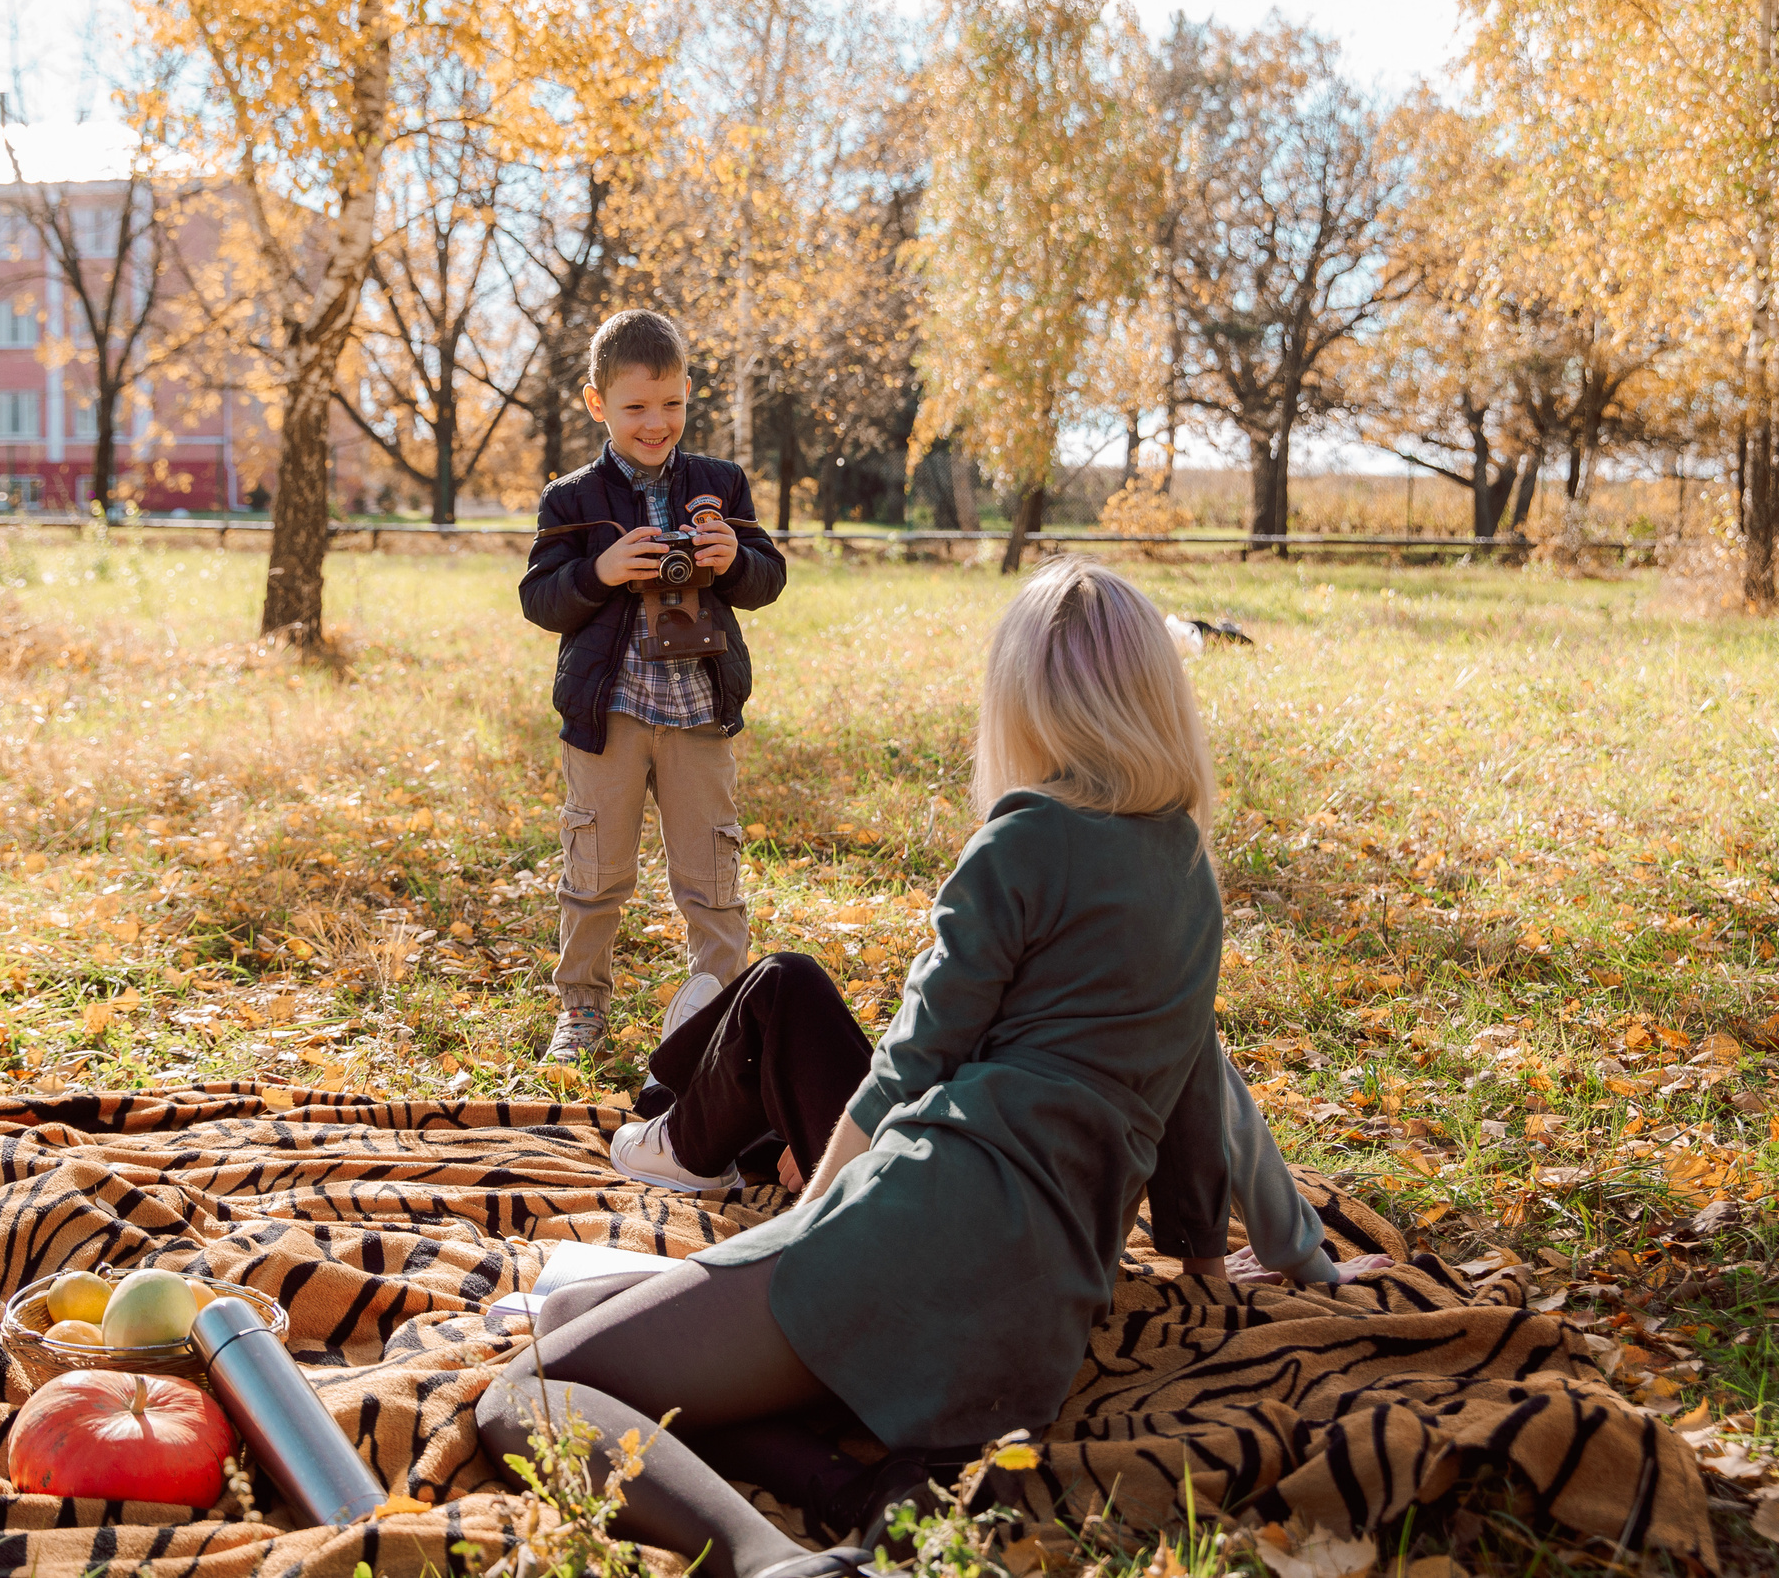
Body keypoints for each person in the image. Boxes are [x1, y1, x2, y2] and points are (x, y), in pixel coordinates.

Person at [481, 559, 1322, 1578]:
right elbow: (1194, 1090)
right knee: (600, 1322)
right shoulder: (1187, 865)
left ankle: (768, 1560)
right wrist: (1205, 1261)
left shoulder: (1021, 842)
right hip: (1041, 1311)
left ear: (1023, 696)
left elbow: (906, 1068)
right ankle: (850, 1490)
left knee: (528, 1387)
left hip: (914, 1226)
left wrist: (800, 1233)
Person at [615, 955, 1390, 1285]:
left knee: (784, 986)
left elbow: (927, 1050)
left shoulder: (1019, 874)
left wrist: (843, 1147)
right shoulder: (1152, 961)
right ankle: (681, 1081)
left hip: (930, 1216)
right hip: (999, 1219)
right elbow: (1206, 1087)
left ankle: (682, 1134)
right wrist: (1224, 1262)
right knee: (774, 1003)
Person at [518, 310, 787, 1063]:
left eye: (670, 404)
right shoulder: (571, 498)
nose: (655, 422)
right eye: (635, 406)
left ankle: (723, 1015)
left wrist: (733, 557)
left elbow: (768, 581)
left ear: (689, 395)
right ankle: (582, 1010)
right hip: (609, 714)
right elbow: (540, 598)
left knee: (711, 872)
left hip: (699, 713)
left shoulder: (721, 483)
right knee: (596, 868)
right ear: (597, 402)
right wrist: (601, 572)